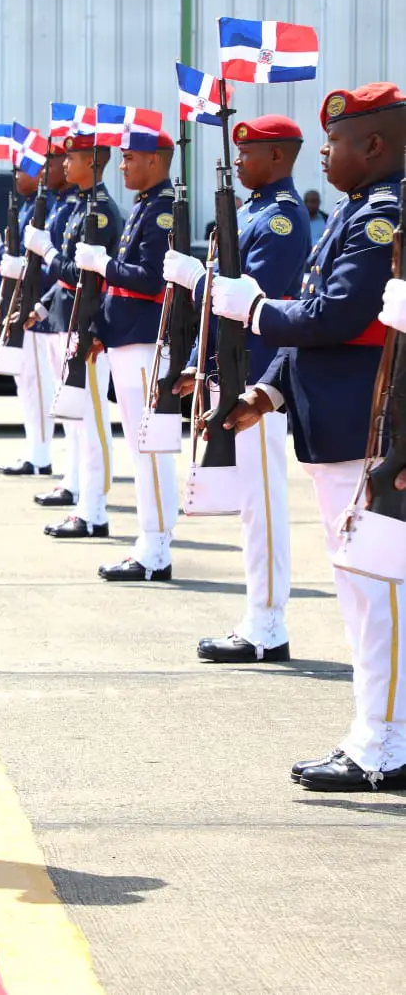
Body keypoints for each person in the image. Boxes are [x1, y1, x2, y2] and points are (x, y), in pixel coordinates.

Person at [215, 82, 404, 791]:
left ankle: (382, 746)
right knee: (366, 591)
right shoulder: (358, 211)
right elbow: (325, 318)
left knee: (375, 591)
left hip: (368, 431)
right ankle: (379, 732)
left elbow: (331, 316)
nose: (323, 156)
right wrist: (269, 390)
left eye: (336, 144)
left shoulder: (382, 214)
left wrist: (255, 311)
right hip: (341, 425)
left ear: (374, 146)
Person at [165, 116, 311, 659]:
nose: (240, 160)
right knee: (251, 505)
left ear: (278, 157)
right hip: (234, 369)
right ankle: (258, 617)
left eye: (250, 153)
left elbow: (254, 301)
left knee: (263, 505)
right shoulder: (251, 212)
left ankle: (267, 627)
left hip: (261, 376)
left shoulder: (282, 221)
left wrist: (193, 277)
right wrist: (197, 365)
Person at [80, 129, 178, 582]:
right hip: (126, 340)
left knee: (149, 451)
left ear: (156, 162)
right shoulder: (145, 205)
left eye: (130, 158)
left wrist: (101, 263)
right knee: (142, 450)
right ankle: (150, 544)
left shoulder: (161, 210)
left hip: (142, 343)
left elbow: (149, 280)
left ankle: (155, 551)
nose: (121, 166)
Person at [29, 133, 121, 540]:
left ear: (94, 160)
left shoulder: (99, 211)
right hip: (70, 319)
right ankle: (81, 496)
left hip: (89, 326)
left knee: (93, 424)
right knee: (77, 419)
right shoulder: (83, 206)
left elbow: (83, 275)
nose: (65, 165)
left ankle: (94, 511)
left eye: (74, 157)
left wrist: (47, 253)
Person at [0, 163, 53, 475]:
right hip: (21, 305)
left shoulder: (44, 208)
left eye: (25, 171)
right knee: (26, 386)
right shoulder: (25, 209)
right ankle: (34, 451)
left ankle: (41, 456)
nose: (18, 176)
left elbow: (42, 266)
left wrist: (1, 252)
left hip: (38, 309)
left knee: (37, 387)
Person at [26, 151, 85, 510]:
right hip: (58, 313)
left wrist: (45, 251)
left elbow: (73, 271)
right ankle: (73, 480)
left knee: (80, 416)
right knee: (65, 408)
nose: (57, 169)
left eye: (64, 160)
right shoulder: (69, 206)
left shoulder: (85, 207)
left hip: (75, 320)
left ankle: (83, 491)